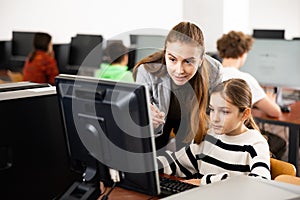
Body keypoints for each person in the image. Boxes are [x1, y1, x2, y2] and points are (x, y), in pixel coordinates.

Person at [157, 78, 271, 186]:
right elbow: (178, 163)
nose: (215, 118)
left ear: (245, 114)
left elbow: (259, 185)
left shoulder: (256, 144)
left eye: (225, 112)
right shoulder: (210, 136)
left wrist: (204, 182)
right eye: (212, 110)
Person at [133, 21, 222, 151]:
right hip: (162, 121)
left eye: (188, 61)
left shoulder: (213, 71)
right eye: (172, 59)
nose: (179, 70)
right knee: (155, 157)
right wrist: (147, 120)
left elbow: (213, 114)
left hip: (192, 118)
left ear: (201, 59)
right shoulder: (147, 71)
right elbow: (142, 127)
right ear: (165, 54)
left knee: (190, 161)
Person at [216, 30, 281, 118]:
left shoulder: (211, 74)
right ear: (243, 54)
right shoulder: (245, 80)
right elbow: (275, 112)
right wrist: (271, 101)